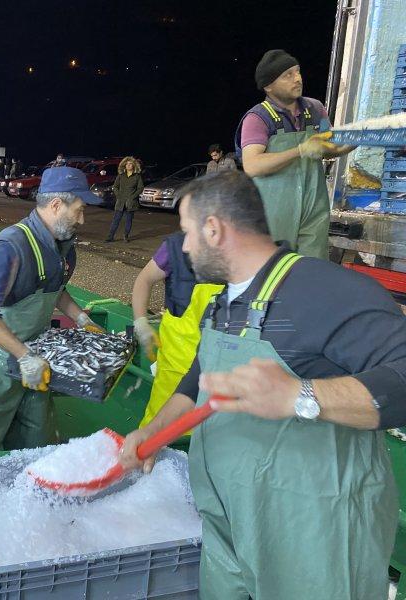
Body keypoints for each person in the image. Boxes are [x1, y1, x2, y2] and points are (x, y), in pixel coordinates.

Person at [121, 170, 406, 600]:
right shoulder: (222, 302)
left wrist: (301, 396)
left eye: (186, 232)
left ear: (213, 229)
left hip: (313, 542)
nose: (184, 247)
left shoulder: (326, 291)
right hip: (230, 529)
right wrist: (155, 433)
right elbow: (200, 379)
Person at [0, 167, 104, 455]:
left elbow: (55, 291)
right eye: (79, 210)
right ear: (56, 205)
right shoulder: (10, 246)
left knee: (37, 434)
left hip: (34, 351)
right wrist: (25, 356)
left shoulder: (63, 245)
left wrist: (82, 318)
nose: (82, 219)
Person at [235, 49, 354, 259]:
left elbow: (331, 146)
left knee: (312, 271)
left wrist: (359, 139)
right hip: (273, 213)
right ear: (268, 85)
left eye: (297, 72)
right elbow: (252, 165)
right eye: (287, 75)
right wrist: (300, 150)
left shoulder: (315, 109)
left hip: (313, 209)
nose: (297, 78)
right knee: (272, 271)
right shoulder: (258, 118)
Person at [131, 231, 223, 426]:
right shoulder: (176, 246)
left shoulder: (247, 251)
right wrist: (141, 322)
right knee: (159, 429)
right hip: (174, 366)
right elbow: (144, 279)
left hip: (219, 372)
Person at [105, 156, 143, 243]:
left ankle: (126, 236)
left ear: (133, 165)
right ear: (124, 166)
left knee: (128, 221)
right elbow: (115, 187)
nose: (129, 165)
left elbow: (140, 188)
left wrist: (133, 197)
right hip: (120, 202)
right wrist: (118, 195)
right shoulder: (121, 176)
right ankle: (110, 237)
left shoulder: (137, 177)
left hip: (131, 203)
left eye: (130, 164)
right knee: (116, 220)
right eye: (127, 164)